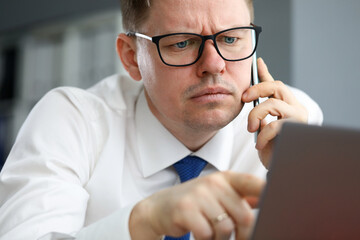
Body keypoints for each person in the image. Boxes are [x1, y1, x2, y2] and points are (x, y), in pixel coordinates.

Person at [0, 0, 323, 239]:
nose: (214, 64)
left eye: (230, 39)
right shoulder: (71, 121)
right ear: (131, 57)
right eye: (181, 43)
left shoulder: (290, 124)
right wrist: (145, 221)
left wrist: (297, 186)